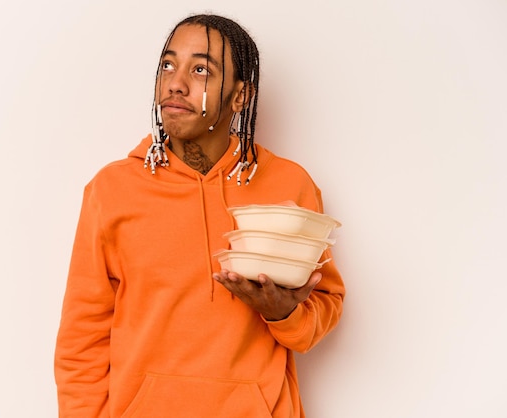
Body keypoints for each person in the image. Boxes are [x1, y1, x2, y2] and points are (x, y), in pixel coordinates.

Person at [54, 13, 345, 418]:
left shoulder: (289, 186)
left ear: (240, 97)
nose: (176, 82)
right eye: (168, 65)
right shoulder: (112, 189)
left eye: (201, 69)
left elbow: (325, 305)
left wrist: (284, 313)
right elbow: (81, 340)